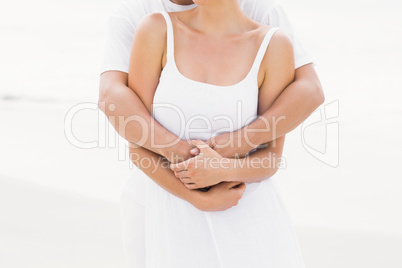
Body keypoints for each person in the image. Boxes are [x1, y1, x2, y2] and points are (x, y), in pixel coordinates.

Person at [99, 0, 324, 267]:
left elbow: (275, 152)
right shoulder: (152, 26)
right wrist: (194, 174)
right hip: (165, 208)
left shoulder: (272, 37)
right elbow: (125, 124)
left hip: (246, 217)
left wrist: (225, 161)